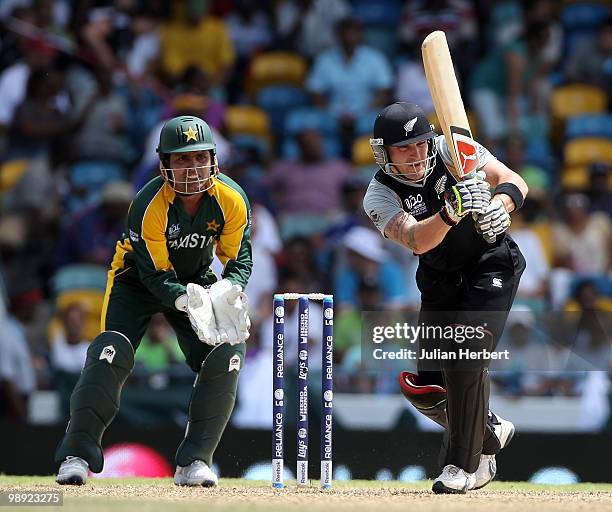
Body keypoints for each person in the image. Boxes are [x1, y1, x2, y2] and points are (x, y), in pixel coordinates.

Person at [54, 115, 252, 487]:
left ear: (213, 159)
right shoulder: (147, 205)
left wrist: (231, 289)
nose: (192, 169)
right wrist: (185, 302)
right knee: (111, 352)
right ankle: (76, 455)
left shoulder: (232, 199)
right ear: (164, 165)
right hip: (137, 280)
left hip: (196, 277)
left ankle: (194, 462)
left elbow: (238, 257)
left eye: (198, 158)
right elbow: (155, 274)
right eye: (181, 159)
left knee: (228, 354)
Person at [363, 102, 527, 493]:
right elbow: (416, 239)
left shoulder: (453, 150)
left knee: (465, 355)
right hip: (439, 279)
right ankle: (488, 431)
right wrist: (452, 210)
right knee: (426, 387)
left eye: (421, 144)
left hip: (490, 265)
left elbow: (513, 179)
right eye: (405, 148)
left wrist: (500, 207)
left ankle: (461, 466)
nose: (418, 154)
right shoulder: (378, 194)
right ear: (384, 153)